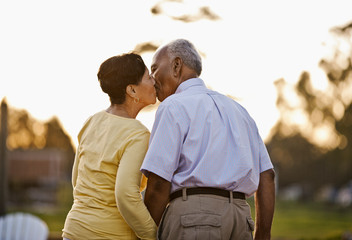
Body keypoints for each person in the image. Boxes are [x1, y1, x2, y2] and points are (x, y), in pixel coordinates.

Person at [140, 39, 276, 240]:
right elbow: (267, 176)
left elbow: (159, 183)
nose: (152, 78)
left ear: (177, 66)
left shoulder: (173, 106)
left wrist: (145, 235)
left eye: (154, 69)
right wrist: (262, 235)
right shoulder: (240, 111)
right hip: (240, 221)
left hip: (194, 220)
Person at [62, 53, 157, 240]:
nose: (154, 81)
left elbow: (77, 181)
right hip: (109, 234)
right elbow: (125, 195)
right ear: (132, 90)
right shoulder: (138, 134)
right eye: (148, 76)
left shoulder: (91, 121)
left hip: (73, 230)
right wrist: (153, 235)